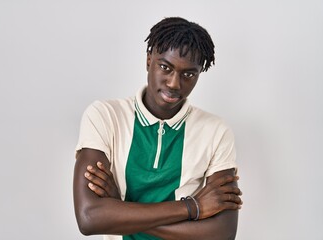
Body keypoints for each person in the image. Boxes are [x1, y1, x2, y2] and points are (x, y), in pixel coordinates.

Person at [73, 17, 243, 240]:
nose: (174, 83)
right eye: (165, 67)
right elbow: (89, 218)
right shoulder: (105, 116)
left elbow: (222, 233)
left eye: (188, 74)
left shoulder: (216, 131)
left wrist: (122, 208)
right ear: (148, 60)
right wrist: (193, 207)